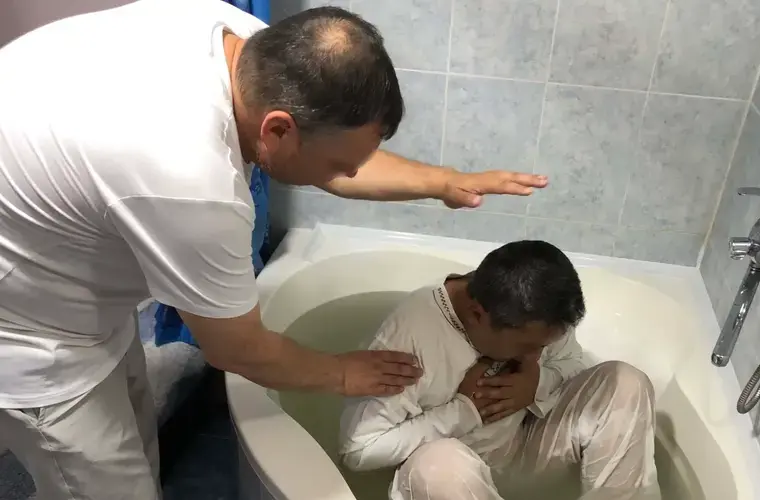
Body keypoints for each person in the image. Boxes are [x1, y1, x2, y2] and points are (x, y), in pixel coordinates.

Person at [0, 2, 548, 500]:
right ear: (279, 130)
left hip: (62, 258)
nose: (349, 174)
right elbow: (237, 349)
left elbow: (331, 153)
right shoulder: (191, 183)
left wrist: (443, 181)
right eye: (340, 165)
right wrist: (343, 373)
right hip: (33, 336)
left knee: (134, 442)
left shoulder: (242, 40)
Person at [339, 241, 661, 500]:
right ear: (478, 314)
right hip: (455, 482)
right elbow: (359, 450)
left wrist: (537, 383)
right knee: (438, 466)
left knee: (625, 383)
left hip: (525, 450)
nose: (536, 355)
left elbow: (574, 363)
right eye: (527, 346)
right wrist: (463, 411)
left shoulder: (537, 309)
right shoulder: (411, 338)